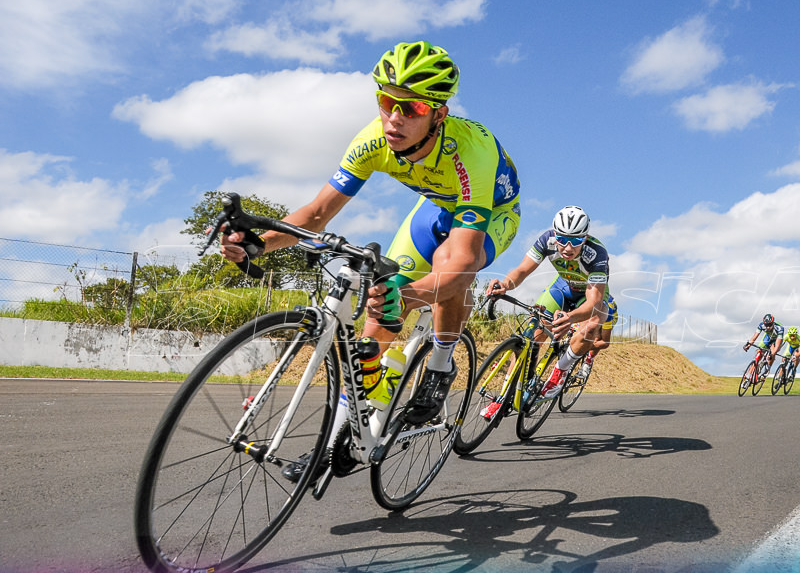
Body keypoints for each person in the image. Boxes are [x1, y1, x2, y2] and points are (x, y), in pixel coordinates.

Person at [221, 40, 521, 434]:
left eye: (411, 107)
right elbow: (315, 214)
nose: (394, 118)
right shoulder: (373, 140)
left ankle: (441, 363)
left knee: (446, 266)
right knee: (382, 304)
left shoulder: (470, 152)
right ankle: (344, 429)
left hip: (493, 212)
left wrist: (411, 296)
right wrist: (259, 243)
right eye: (385, 102)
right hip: (435, 207)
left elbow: (464, 262)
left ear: (438, 114)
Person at [487, 206, 614, 401]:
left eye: (576, 241)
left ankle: (560, 372)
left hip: (588, 294)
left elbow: (593, 302)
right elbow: (522, 271)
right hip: (562, 287)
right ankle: (504, 395)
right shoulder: (547, 239)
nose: (568, 248)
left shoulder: (597, 254)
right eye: (562, 240)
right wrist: (505, 284)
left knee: (592, 325)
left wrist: (569, 318)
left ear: (585, 238)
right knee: (533, 330)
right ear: (555, 234)